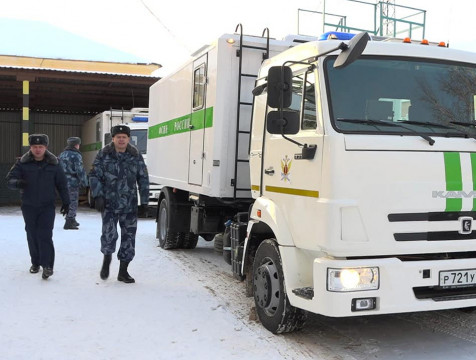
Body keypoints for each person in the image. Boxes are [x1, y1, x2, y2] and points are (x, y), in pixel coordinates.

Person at [89, 125, 149, 284]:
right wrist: (98, 196)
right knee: (109, 235)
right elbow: (94, 175)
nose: (121, 139)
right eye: (118, 137)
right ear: (113, 138)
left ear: (128, 139)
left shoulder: (135, 155)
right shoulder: (104, 154)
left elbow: (143, 178)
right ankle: (107, 260)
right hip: (109, 203)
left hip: (129, 204)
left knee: (129, 238)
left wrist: (144, 201)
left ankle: (123, 271)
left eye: (124, 137)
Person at [6, 134, 70, 280]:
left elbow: (62, 184)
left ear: (46, 147)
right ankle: (35, 263)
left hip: (47, 206)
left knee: (45, 235)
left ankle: (47, 266)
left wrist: (67, 202)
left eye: (40, 147)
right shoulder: (22, 163)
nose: (38, 149)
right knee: (32, 234)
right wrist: (17, 183)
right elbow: (9, 179)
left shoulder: (54, 163)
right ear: (31, 148)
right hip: (29, 206)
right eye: (35, 147)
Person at [58, 137, 88, 230]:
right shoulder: (76, 155)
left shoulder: (62, 154)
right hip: (72, 182)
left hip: (63, 182)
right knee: (73, 202)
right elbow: (79, 170)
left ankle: (72, 219)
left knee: (67, 201)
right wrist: (84, 182)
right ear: (76, 145)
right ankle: (69, 221)